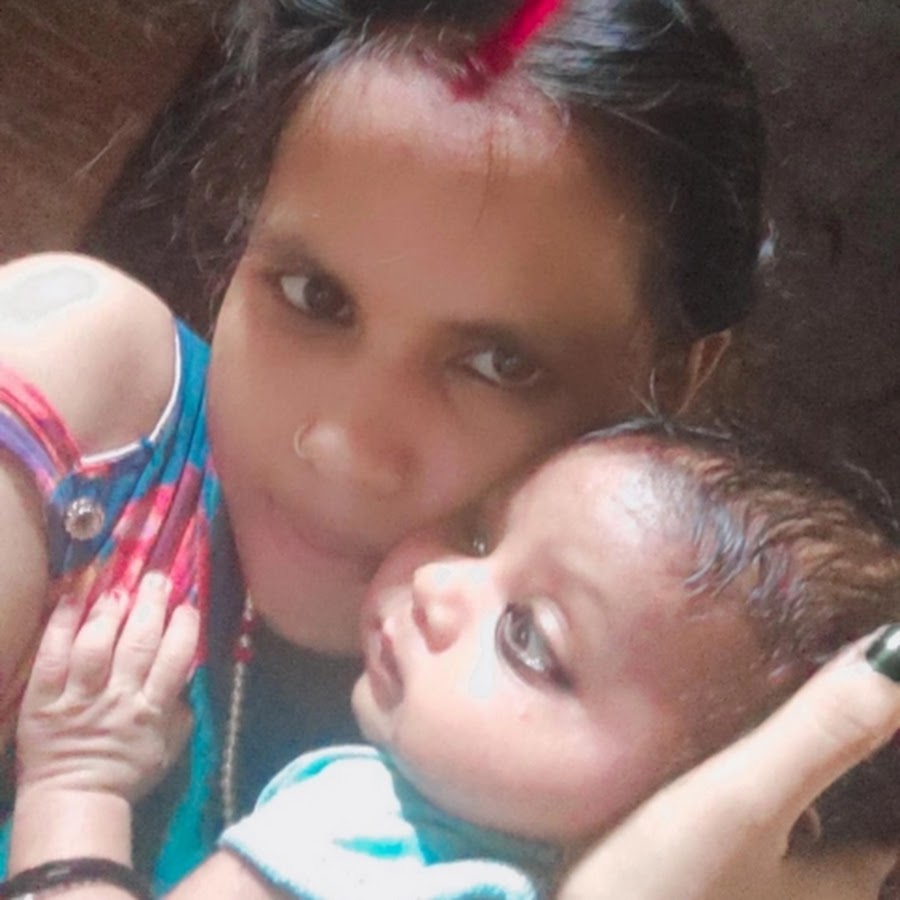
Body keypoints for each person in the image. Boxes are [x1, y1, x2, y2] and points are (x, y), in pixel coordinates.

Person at [6, 422, 900, 899]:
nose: (437, 585)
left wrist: (76, 785)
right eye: (478, 533)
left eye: (528, 638)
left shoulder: (369, 831)